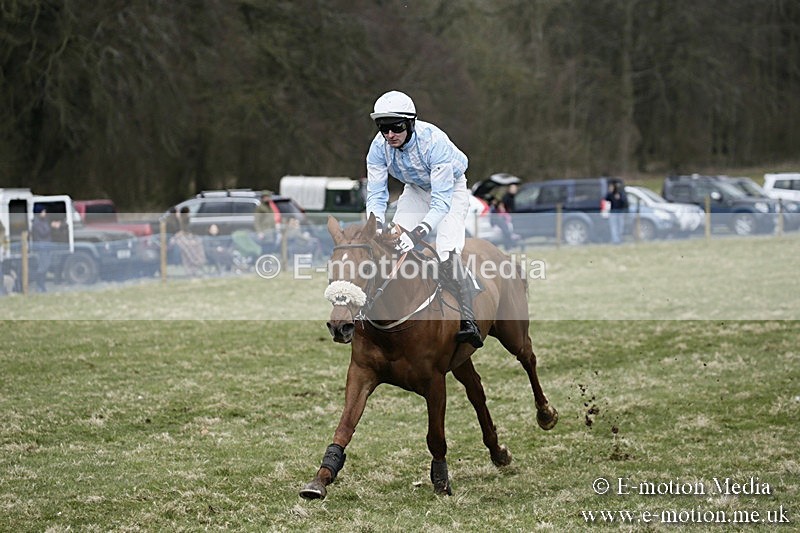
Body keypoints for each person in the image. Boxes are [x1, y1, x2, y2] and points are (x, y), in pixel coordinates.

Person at [365, 90, 482, 348]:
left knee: (445, 250)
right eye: (383, 128)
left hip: (450, 189)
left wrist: (416, 234)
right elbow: (375, 195)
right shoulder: (377, 147)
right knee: (391, 243)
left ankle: (468, 320)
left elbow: (441, 203)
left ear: (410, 123)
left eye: (395, 127)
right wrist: (375, 225)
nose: (389, 135)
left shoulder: (434, 142)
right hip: (415, 190)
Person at [31, 205, 60, 292]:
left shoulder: (44, 221)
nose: (45, 213)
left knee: (46, 266)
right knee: (42, 267)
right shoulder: (36, 223)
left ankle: (42, 286)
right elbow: (43, 233)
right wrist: (51, 226)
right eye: (43, 211)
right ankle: (40, 286)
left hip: (47, 247)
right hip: (41, 248)